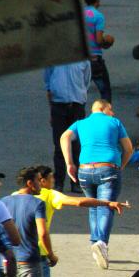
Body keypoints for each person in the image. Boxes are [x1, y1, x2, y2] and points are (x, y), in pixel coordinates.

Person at [60, 99, 134, 269]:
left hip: (84, 171)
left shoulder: (80, 123)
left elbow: (64, 137)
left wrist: (69, 163)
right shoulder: (114, 122)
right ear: (102, 108)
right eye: (111, 109)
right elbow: (129, 149)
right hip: (108, 168)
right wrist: (120, 166)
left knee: (93, 206)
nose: (113, 113)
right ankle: (101, 243)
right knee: (106, 206)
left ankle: (95, 244)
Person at [45, 61, 91, 193]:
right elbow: (48, 83)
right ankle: (58, 182)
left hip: (77, 105)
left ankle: (76, 182)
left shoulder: (83, 60)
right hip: (58, 105)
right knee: (59, 146)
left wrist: (80, 95)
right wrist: (51, 110)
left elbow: (86, 81)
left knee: (76, 145)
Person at [83, 0, 114, 102]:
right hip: (95, 61)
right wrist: (109, 41)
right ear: (97, 0)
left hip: (80, 61)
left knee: (78, 94)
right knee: (105, 92)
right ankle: (105, 118)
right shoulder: (98, 16)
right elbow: (99, 40)